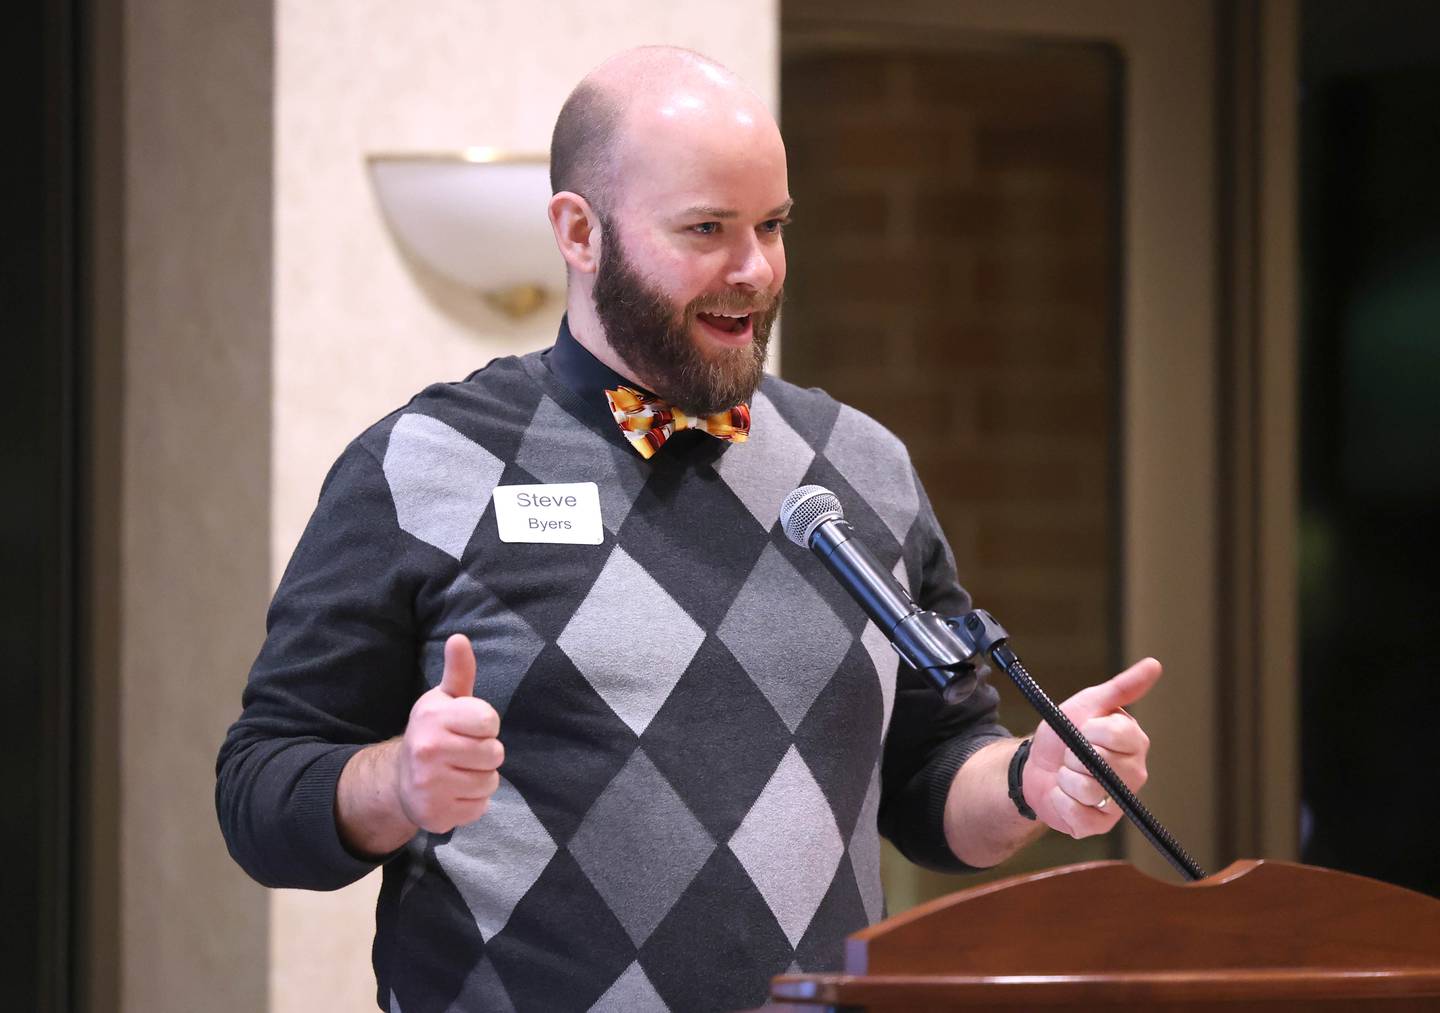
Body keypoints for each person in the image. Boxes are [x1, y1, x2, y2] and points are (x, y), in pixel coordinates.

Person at [216, 46, 1159, 1013]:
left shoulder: (861, 467)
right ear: (580, 232)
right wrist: (397, 787)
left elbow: (927, 779)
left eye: (773, 226)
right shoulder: (424, 464)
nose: (753, 270)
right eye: (707, 229)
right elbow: (259, 789)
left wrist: (1028, 779)